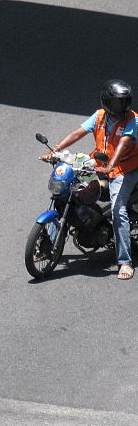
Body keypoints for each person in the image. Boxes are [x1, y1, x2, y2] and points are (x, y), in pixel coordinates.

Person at [41, 79, 138, 280]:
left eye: (124, 102)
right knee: (73, 190)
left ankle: (125, 261)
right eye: (117, 103)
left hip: (125, 169)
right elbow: (79, 132)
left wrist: (111, 166)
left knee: (118, 209)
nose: (121, 107)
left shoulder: (133, 120)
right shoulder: (100, 116)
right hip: (100, 165)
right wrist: (56, 151)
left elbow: (123, 144)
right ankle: (57, 239)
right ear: (107, 102)